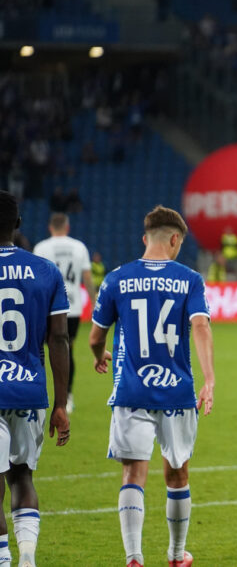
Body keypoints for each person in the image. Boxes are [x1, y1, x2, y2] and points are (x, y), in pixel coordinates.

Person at [89, 206, 215, 567]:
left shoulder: (116, 278)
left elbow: (96, 336)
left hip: (131, 391)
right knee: (177, 472)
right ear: (174, 239)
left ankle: (134, 557)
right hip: (176, 392)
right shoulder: (189, 279)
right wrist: (209, 379)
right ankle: (176, 555)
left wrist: (100, 354)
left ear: (146, 238)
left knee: (133, 473)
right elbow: (202, 327)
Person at [0, 190, 71, 567]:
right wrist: (61, 403)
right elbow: (58, 337)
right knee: (23, 477)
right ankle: (27, 557)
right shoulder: (45, 271)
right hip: (29, 390)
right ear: (18, 226)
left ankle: (3, 560)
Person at [33, 213, 93, 413]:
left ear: (50, 228)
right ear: (67, 227)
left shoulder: (41, 248)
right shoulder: (79, 247)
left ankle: (38, 393)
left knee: (39, 351)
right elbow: (87, 278)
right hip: (72, 308)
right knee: (67, 351)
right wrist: (94, 305)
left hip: (47, 308)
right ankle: (67, 396)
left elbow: (36, 281)